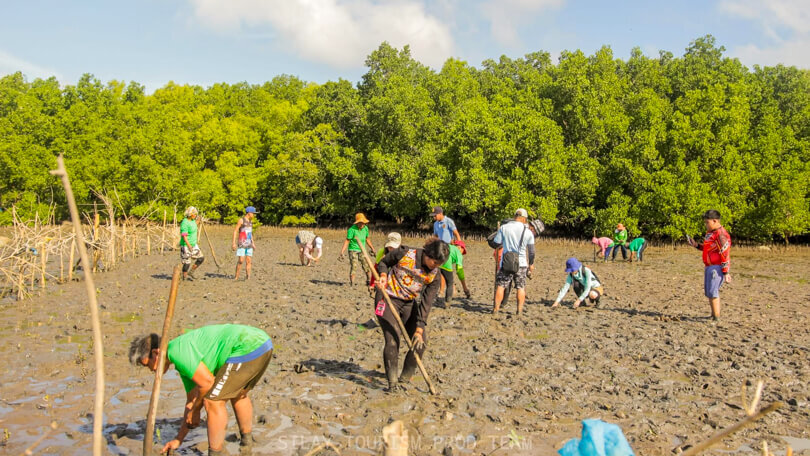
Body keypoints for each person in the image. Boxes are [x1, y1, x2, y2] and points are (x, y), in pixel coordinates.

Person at [129, 324, 273, 456]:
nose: (151, 370)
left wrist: (196, 410)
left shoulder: (176, 352)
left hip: (247, 346)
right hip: (263, 343)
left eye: (147, 365)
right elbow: (191, 400)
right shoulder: (180, 357)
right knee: (238, 394)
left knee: (212, 401)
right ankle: (247, 445)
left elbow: (207, 384)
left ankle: (214, 453)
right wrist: (179, 439)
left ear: (156, 354)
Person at [374, 238, 448, 392]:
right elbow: (383, 263)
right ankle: (392, 384)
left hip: (408, 303)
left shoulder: (434, 275)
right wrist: (383, 276)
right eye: (434, 262)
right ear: (428, 254)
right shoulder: (405, 253)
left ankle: (404, 379)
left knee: (420, 343)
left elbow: (426, 303)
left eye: (439, 264)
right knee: (393, 339)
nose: (435, 267)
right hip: (387, 298)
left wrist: (419, 328)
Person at [687, 209, 731, 320]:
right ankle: (713, 315)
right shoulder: (710, 234)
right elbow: (707, 248)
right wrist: (696, 245)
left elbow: (725, 253)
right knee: (709, 291)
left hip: (717, 267)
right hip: (709, 266)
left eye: (707, 222)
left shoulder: (721, 235)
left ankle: (716, 317)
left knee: (713, 291)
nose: (705, 225)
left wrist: (726, 272)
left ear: (715, 221)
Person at [492, 209, 536, 315]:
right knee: (521, 287)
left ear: (515, 216)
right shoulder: (528, 232)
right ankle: (519, 311)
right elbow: (531, 252)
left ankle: (496, 309)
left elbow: (496, 243)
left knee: (501, 286)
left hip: (506, 261)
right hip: (521, 264)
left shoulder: (504, 228)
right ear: (524, 219)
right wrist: (531, 264)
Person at [339, 213, 375, 286]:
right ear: (357, 223)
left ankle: (368, 280)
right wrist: (342, 251)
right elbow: (347, 241)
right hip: (353, 250)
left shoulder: (365, 228)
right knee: (354, 266)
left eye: (363, 223)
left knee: (366, 265)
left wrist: (372, 248)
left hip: (362, 250)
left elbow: (367, 239)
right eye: (360, 223)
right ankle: (352, 283)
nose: (362, 224)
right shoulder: (352, 229)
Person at [438, 239, 471, 306]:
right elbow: (459, 270)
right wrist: (465, 288)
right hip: (446, 265)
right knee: (450, 283)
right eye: (463, 251)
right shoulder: (458, 252)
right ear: (460, 247)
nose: (462, 253)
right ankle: (447, 302)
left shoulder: (448, 246)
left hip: (437, 262)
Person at [231, 206, 258, 280]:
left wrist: (253, 243)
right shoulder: (241, 220)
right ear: (249, 213)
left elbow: (250, 233)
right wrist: (233, 243)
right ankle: (236, 277)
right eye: (253, 213)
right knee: (241, 260)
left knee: (249, 260)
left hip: (249, 244)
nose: (254, 215)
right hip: (242, 243)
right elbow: (235, 231)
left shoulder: (250, 222)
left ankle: (248, 277)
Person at [179, 206, 204, 281]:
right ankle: (184, 277)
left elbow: (194, 225)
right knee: (187, 263)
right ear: (190, 214)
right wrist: (189, 245)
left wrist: (199, 220)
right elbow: (184, 236)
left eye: (196, 214)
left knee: (201, 258)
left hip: (194, 244)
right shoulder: (185, 222)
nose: (195, 215)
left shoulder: (192, 221)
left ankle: (191, 272)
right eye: (194, 214)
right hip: (186, 245)